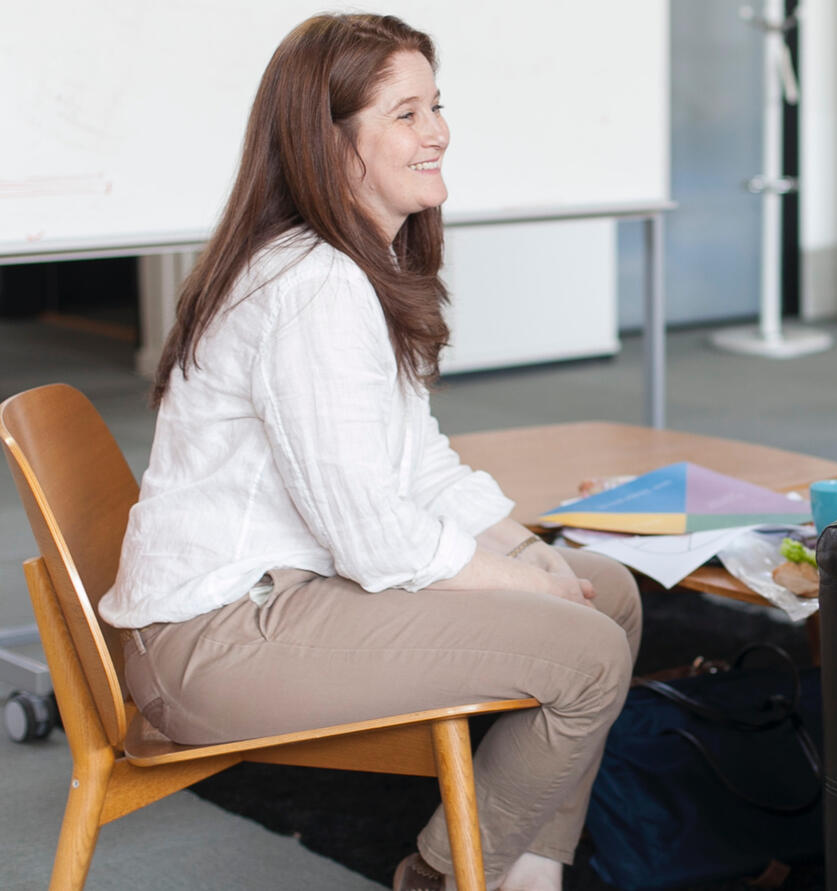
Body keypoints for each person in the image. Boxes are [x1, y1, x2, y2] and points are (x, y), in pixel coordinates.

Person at [103, 14, 640, 891]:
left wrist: (529, 552)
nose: (439, 133)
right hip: (216, 642)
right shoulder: (314, 284)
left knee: (606, 593)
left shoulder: (351, 266)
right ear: (331, 144)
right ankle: (441, 875)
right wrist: (527, 584)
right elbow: (376, 539)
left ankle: (520, 871)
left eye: (437, 106)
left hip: (282, 597)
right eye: (406, 114)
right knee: (589, 651)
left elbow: (416, 462)